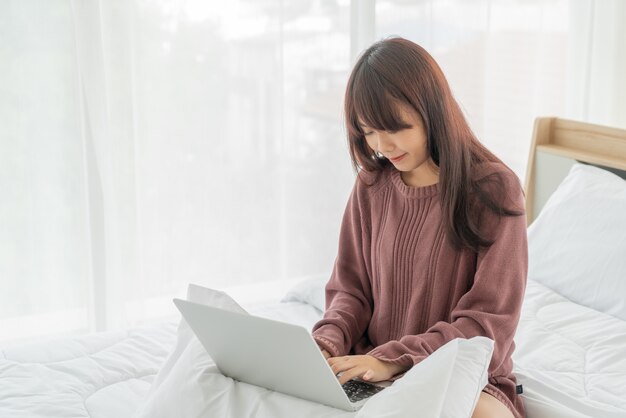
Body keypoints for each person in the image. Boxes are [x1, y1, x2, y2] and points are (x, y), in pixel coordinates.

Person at [311, 37, 527, 418]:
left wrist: (396, 360)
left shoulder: (494, 191)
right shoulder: (371, 186)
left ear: (431, 109)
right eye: (369, 131)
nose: (382, 145)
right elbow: (351, 290)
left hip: (461, 374)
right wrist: (327, 342)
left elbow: (486, 325)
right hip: (371, 369)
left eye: (395, 127)